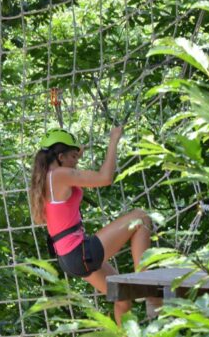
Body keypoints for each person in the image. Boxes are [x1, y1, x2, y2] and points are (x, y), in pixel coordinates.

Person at [29, 127, 162, 325]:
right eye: (73, 157)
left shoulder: (46, 178)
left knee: (122, 297)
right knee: (140, 218)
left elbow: (70, 161)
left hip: (68, 258)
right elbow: (105, 178)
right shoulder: (60, 175)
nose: (77, 161)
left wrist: (75, 151)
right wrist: (114, 139)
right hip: (79, 252)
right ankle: (148, 289)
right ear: (60, 156)